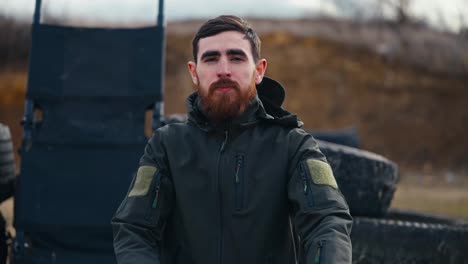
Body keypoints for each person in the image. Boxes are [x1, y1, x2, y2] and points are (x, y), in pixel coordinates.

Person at [112, 15, 352, 264]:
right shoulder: (167, 146)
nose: (224, 70)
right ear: (194, 72)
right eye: (211, 58)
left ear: (259, 71)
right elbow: (134, 229)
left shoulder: (293, 145)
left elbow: (327, 221)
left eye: (236, 58)